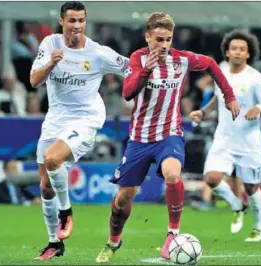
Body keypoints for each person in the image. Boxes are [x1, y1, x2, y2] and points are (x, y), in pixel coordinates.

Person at [95, 12, 240, 263]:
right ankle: (113, 242)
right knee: (122, 200)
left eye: (168, 40)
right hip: (139, 138)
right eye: (159, 39)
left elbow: (211, 65)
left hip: (169, 133)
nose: (163, 45)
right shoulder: (138, 59)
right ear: (148, 37)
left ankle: (172, 234)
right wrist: (145, 71)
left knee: (173, 174)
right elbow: (128, 93)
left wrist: (228, 96)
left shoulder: (181, 60)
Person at [29, 1, 129, 260]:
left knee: (53, 158)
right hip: (56, 119)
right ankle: (54, 243)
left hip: (86, 118)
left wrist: (156, 69)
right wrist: (51, 63)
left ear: (86, 22)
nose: (77, 26)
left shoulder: (98, 53)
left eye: (81, 20)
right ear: (62, 21)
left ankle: (66, 212)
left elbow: (132, 68)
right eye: (72, 20)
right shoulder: (50, 44)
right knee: (45, 186)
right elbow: (34, 81)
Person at [189, 29, 261, 242]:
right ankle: (238, 206)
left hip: (248, 140)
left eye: (242, 49)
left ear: (248, 54)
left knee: (251, 186)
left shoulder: (256, 78)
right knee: (211, 178)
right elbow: (218, 99)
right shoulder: (220, 72)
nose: (237, 52)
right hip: (224, 139)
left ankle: (259, 229)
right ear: (227, 52)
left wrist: (260, 109)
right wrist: (203, 112)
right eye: (234, 48)